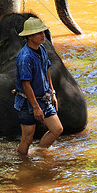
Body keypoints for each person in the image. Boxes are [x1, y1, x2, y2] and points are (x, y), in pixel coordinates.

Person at [14, 16, 63, 156]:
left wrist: (52, 92)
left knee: (57, 129)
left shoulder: (41, 49)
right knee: (27, 138)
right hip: (28, 102)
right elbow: (26, 84)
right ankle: (23, 163)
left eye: (43, 32)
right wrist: (35, 107)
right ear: (30, 36)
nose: (43, 36)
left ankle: (39, 154)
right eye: (39, 33)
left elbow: (46, 69)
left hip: (44, 98)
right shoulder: (25, 57)